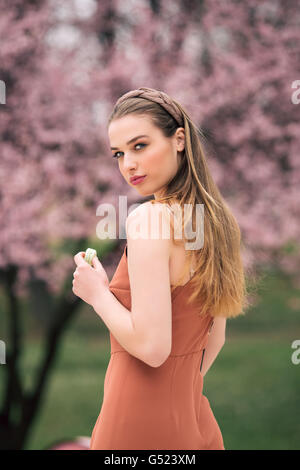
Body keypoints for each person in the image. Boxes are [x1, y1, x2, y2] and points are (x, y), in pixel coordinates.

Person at [74, 87, 249, 450]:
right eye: (118, 154)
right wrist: (172, 395)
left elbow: (153, 348)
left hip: (133, 422)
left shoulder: (149, 219)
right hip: (192, 416)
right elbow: (215, 339)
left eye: (140, 146)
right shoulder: (217, 223)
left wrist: (97, 295)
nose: (129, 165)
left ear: (179, 139)